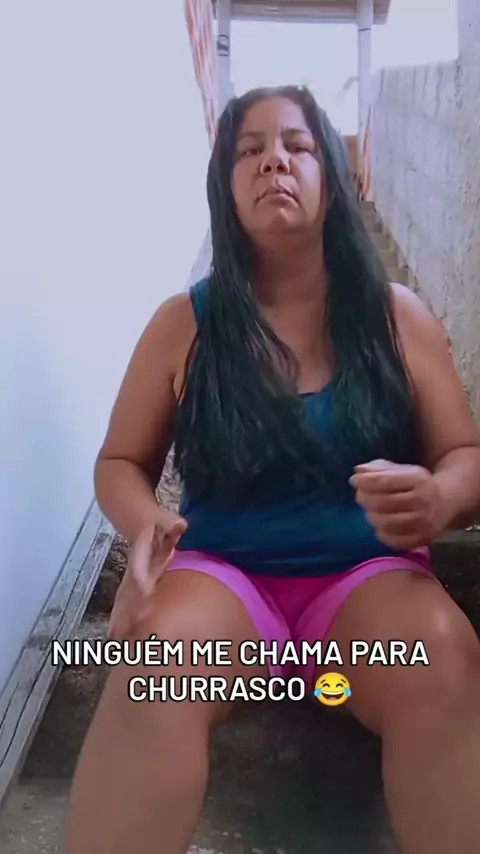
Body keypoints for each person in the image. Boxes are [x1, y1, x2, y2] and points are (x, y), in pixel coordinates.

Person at [65, 86, 480, 854]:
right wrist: (146, 524)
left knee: (442, 653)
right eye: (249, 150)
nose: (273, 162)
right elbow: (120, 462)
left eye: (297, 145)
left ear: (335, 180)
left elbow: (467, 456)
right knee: (155, 665)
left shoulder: (398, 317)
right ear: (224, 187)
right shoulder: (182, 325)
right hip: (223, 581)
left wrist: (441, 496)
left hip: (366, 585)